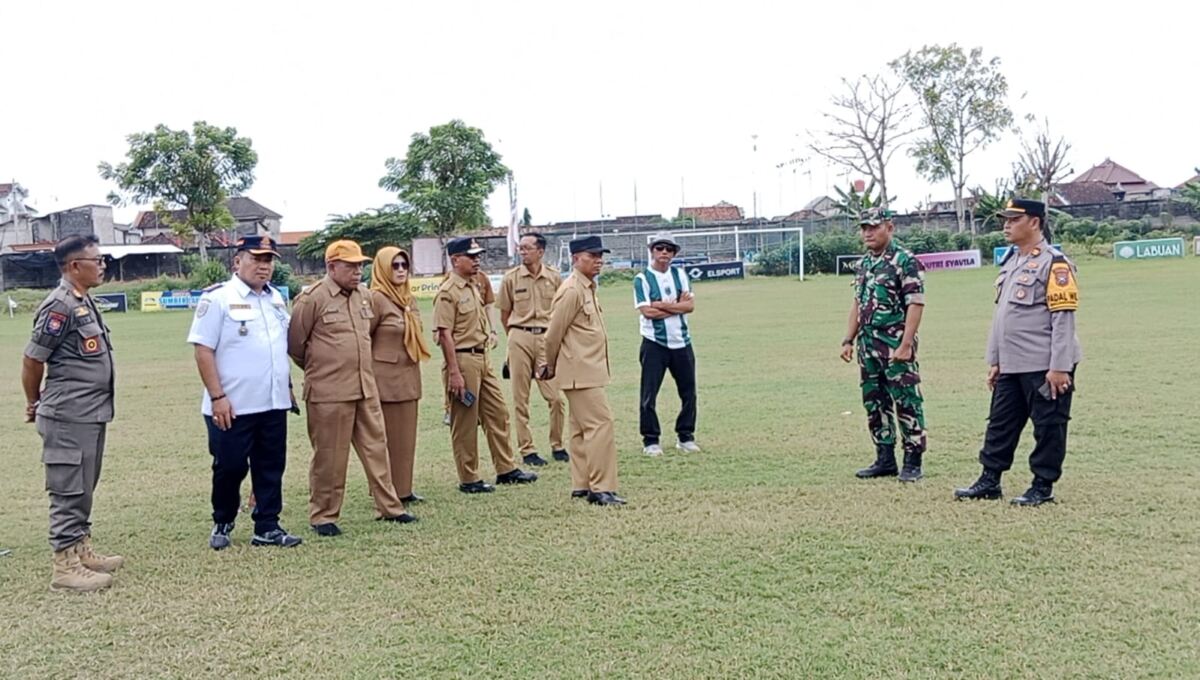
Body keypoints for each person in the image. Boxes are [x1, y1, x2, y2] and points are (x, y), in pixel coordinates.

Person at [955, 198, 1082, 506]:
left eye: (1013, 219)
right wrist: (996, 361)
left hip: (1044, 362)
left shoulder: (1055, 263)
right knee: (1000, 423)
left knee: (1049, 425)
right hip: (1012, 363)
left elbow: (1063, 318)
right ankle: (990, 479)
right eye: (1005, 220)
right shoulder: (1012, 261)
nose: (1006, 225)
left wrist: (1060, 367)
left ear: (1035, 222)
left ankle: (1042, 484)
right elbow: (1003, 317)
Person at [287, 239, 413, 535]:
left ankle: (389, 507)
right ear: (332, 267)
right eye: (351, 266)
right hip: (329, 392)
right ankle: (324, 516)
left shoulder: (365, 296)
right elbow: (295, 346)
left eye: (360, 265)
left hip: (365, 387)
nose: (358, 271)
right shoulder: (311, 299)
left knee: (377, 449)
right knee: (330, 456)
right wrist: (323, 370)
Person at [21, 234, 123, 592]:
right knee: (68, 489)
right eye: (97, 260)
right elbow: (33, 359)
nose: (103, 265)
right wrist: (33, 402)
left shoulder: (83, 300)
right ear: (75, 266)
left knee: (84, 486)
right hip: (67, 415)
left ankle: (80, 550)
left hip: (90, 412)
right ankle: (64, 566)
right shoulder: (59, 305)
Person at [187, 235, 302, 550]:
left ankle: (267, 525)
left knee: (271, 465)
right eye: (256, 259)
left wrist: (288, 387)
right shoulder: (218, 299)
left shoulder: (276, 299)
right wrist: (217, 397)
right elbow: (203, 350)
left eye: (269, 260)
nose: (264, 266)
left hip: (272, 401)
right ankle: (223, 520)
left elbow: (278, 349)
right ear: (237, 262)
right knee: (230, 466)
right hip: (232, 404)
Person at [434, 237, 538, 493]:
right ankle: (469, 478)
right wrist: (455, 373)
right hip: (462, 359)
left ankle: (506, 468)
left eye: (478, 255)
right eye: (471, 256)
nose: (477, 259)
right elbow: (444, 334)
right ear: (455, 259)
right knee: (465, 421)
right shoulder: (448, 292)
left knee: (498, 413)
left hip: (482, 357)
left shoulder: (474, 285)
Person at [840, 209, 928, 482]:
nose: (867, 232)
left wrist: (905, 344)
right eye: (864, 227)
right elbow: (858, 302)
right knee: (874, 402)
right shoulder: (865, 264)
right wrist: (848, 339)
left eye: (873, 227)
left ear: (889, 227)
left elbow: (915, 303)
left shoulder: (905, 261)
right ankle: (885, 457)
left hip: (894, 344)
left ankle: (913, 460)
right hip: (868, 346)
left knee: (906, 401)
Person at [539, 236, 624, 506]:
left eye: (601, 255)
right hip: (580, 370)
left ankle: (582, 484)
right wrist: (549, 365)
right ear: (576, 258)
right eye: (592, 255)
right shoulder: (573, 290)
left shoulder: (587, 288)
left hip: (586, 368)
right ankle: (601, 488)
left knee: (580, 429)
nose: (599, 260)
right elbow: (553, 334)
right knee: (601, 425)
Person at [369, 246, 432, 512]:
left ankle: (403, 489)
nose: (401, 271)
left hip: (408, 377)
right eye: (394, 266)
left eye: (404, 265)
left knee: (406, 438)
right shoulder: (375, 298)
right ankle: (383, 492)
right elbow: (364, 339)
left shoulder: (408, 299)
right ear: (382, 268)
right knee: (384, 440)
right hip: (384, 381)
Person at [497, 232, 568, 467]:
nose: (523, 252)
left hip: (546, 339)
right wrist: (515, 339)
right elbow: (504, 314)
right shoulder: (511, 278)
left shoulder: (554, 277)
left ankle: (557, 445)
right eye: (521, 248)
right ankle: (527, 449)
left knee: (556, 398)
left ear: (540, 251)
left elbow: (560, 311)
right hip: (519, 336)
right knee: (521, 398)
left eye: (528, 248)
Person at [633, 233, 699, 456]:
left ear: (674, 253)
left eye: (669, 249)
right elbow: (647, 311)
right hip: (654, 343)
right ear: (652, 251)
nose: (664, 252)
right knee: (649, 394)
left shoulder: (680, 275)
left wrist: (661, 304)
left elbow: (689, 307)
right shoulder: (642, 279)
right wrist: (674, 306)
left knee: (689, 392)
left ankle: (685, 436)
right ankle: (651, 440)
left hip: (682, 342)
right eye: (659, 248)